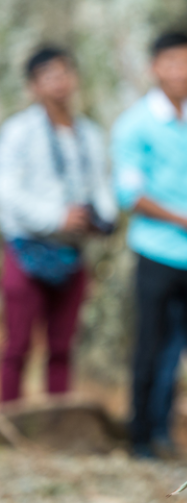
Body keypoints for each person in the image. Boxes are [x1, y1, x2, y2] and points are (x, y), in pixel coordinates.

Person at [111, 31, 187, 459]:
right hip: (155, 251)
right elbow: (131, 194)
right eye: (173, 62)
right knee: (150, 347)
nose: (183, 71)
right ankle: (141, 439)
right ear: (155, 67)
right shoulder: (134, 124)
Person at [0, 47, 116, 402]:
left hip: (72, 253)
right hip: (27, 251)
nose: (59, 82)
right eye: (49, 75)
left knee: (62, 347)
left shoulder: (89, 134)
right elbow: (7, 193)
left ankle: (58, 422)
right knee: (18, 344)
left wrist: (102, 218)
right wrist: (56, 217)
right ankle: (9, 422)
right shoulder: (19, 131)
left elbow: (101, 186)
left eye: (64, 73)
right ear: (33, 86)